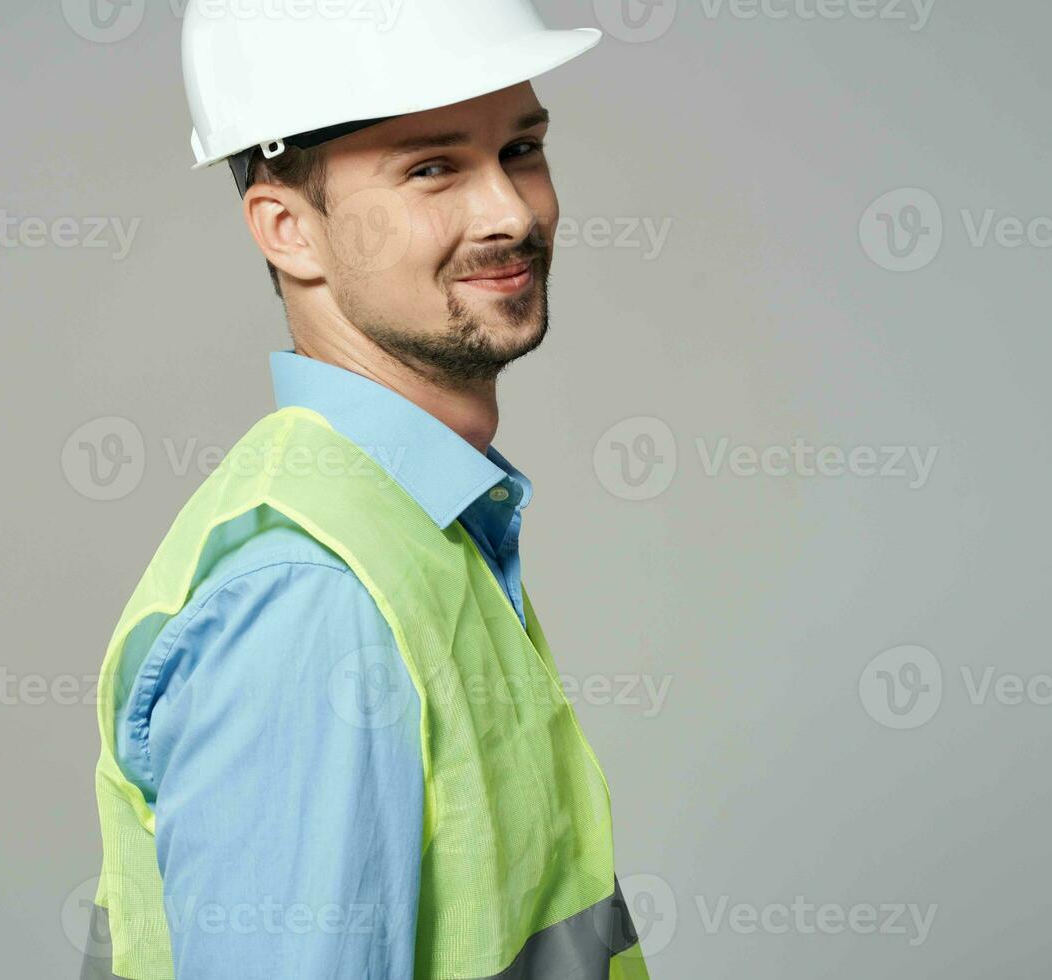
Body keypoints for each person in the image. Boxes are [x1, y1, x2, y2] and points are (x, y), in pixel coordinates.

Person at [83, 2, 652, 978]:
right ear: (288, 228)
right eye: (433, 167)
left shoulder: (422, 527)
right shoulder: (315, 593)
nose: (509, 211)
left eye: (520, 149)